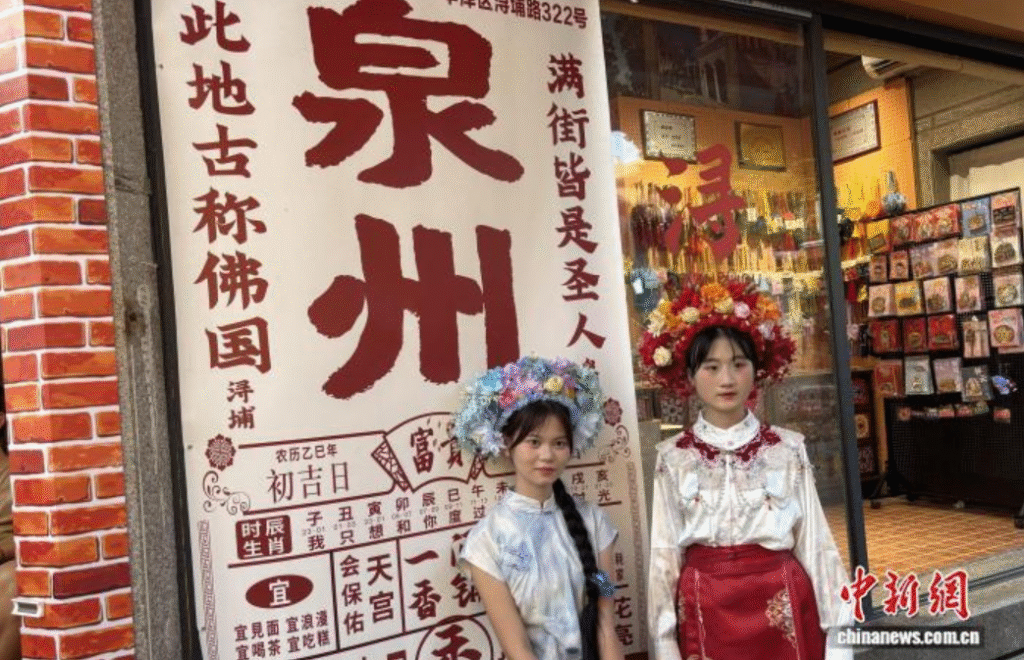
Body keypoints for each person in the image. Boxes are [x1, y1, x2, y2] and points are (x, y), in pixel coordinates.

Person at [638, 278, 853, 660]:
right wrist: (664, 641)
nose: (727, 379)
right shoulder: (673, 457)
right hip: (706, 608)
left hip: (782, 601)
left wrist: (840, 636)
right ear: (688, 375)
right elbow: (663, 555)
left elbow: (817, 543)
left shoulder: (787, 449)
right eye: (711, 366)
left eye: (739, 364)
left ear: (757, 370)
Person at [452, 356, 624, 660]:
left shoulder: (594, 522)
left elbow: (606, 619)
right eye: (534, 441)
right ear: (507, 444)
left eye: (559, 443)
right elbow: (517, 648)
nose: (547, 455)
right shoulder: (487, 541)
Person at [1, 413, 21, 660]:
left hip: (5, 565)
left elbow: (40, 538)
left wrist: (4, 551)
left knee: (15, 584)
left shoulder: (21, 478)